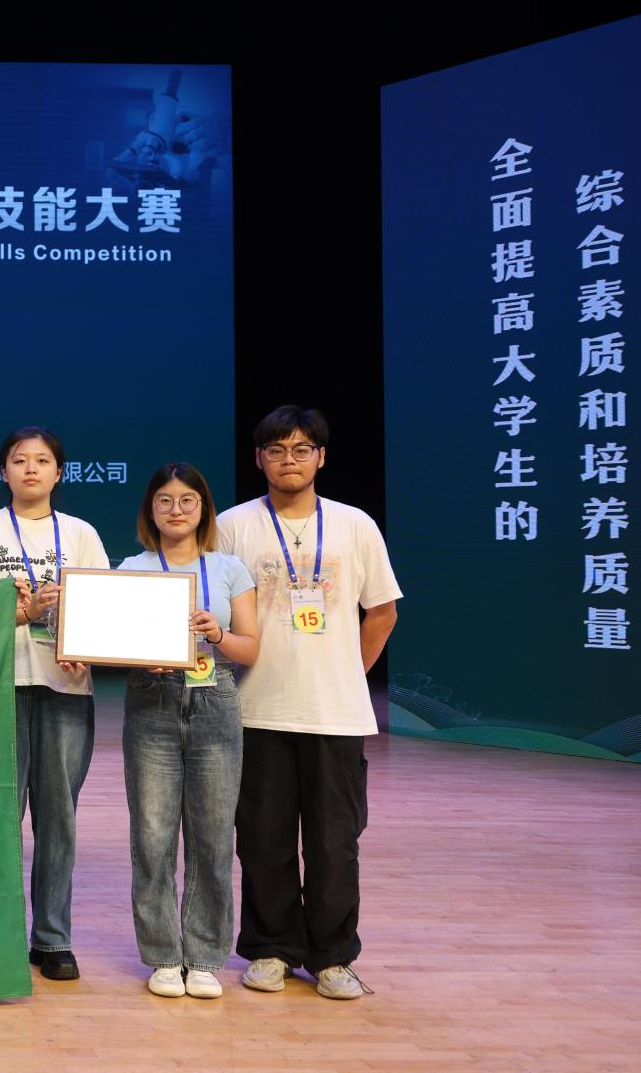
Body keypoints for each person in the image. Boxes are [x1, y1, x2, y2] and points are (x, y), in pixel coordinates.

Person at [216, 406, 401, 1001]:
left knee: (333, 842)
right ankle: (271, 948)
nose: (288, 460)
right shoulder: (232, 526)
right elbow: (211, 610)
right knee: (262, 838)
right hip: (255, 708)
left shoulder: (354, 524)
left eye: (301, 449)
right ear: (258, 459)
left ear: (321, 457)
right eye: (276, 450)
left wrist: (346, 672)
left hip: (335, 712)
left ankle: (333, 957)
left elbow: (382, 611)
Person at [0, 426, 109, 981]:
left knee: (58, 818)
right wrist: (22, 609)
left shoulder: (82, 533)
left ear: (58, 472)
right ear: (3, 471)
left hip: (65, 688)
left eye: (42, 460)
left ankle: (53, 939)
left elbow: (105, 606)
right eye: (19, 460)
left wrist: (86, 645)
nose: (30, 469)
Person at [113, 463, 259, 999]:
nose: (176, 509)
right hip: (150, 700)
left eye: (187, 500)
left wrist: (216, 632)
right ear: (150, 509)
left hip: (214, 696)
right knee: (152, 837)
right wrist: (138, 655)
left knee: (213, 837)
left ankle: (203, 957)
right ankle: (162, 956)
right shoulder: (132, 568)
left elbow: (250, 647)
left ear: (204, 508)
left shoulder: (229, 568)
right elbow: (111, 640)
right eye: (165, 500)